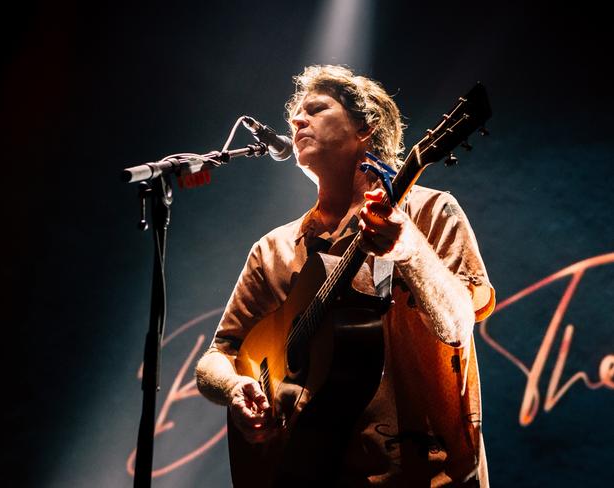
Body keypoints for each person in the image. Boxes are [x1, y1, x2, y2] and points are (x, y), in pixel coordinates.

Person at [195, 65, 495, 487]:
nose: (297, 120)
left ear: (365, 128)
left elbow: (458, 325)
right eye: (295, 115)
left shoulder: (430, 213)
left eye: (315, 109)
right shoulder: (273, 250)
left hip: (425, 475)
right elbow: (216, 358)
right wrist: (233, 388)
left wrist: (409, 250)